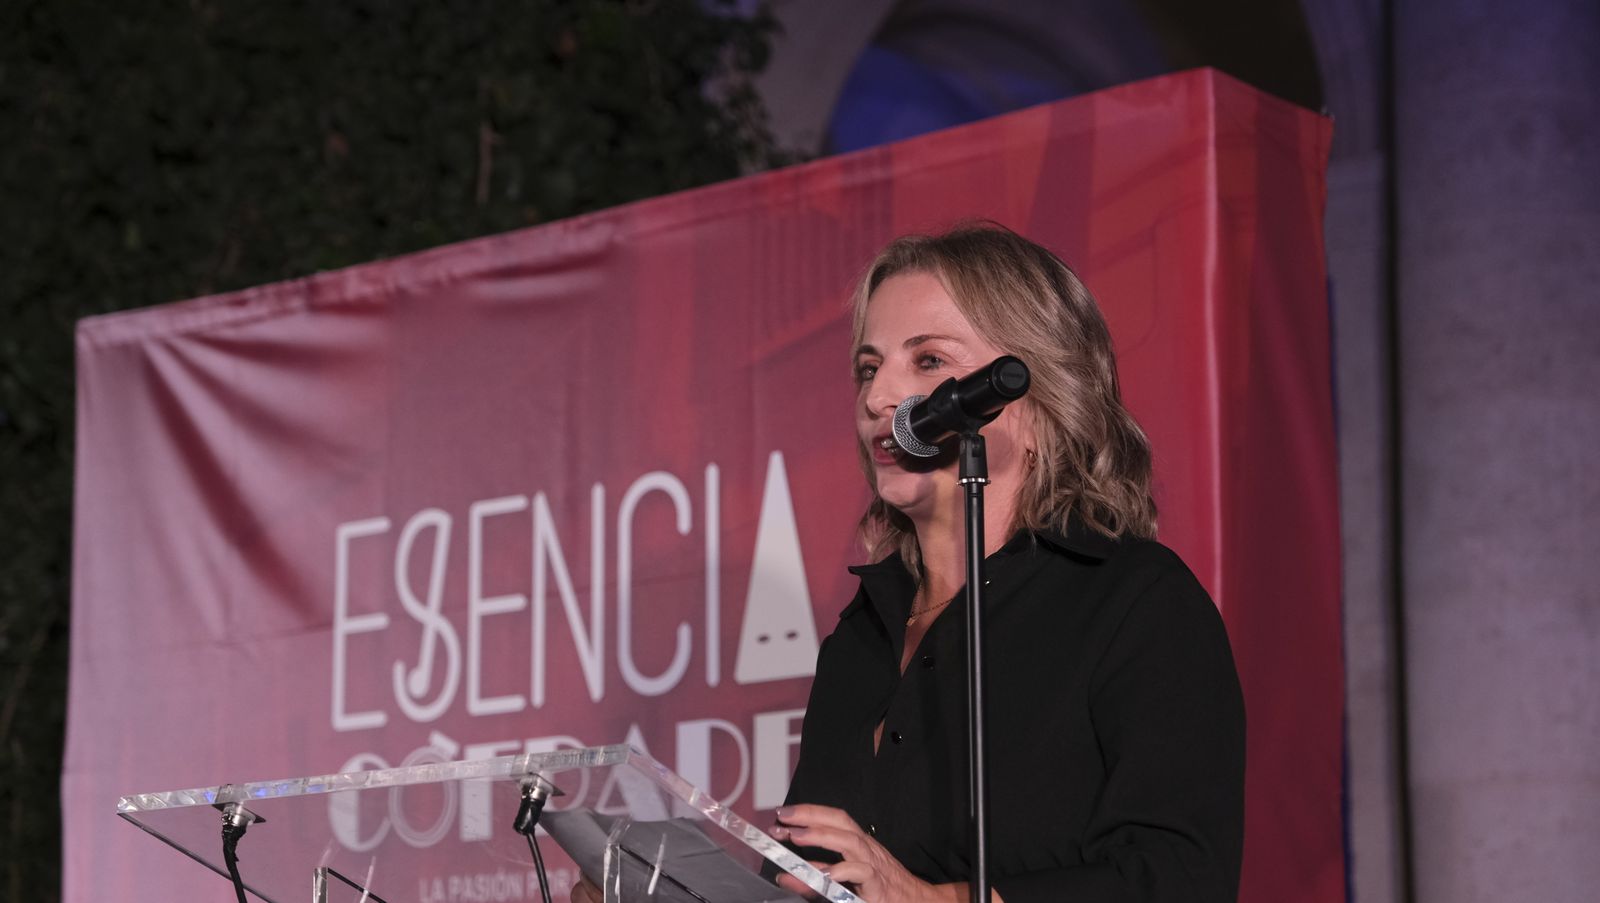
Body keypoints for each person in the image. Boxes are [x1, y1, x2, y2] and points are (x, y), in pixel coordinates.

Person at [766, 223, 1245, 903]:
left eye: (927, 360)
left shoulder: (1136, 602)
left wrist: (938, 900)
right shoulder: (859, 638)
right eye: (868, 368)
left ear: (1034, 390)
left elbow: (1179, 880)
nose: (877, 399)